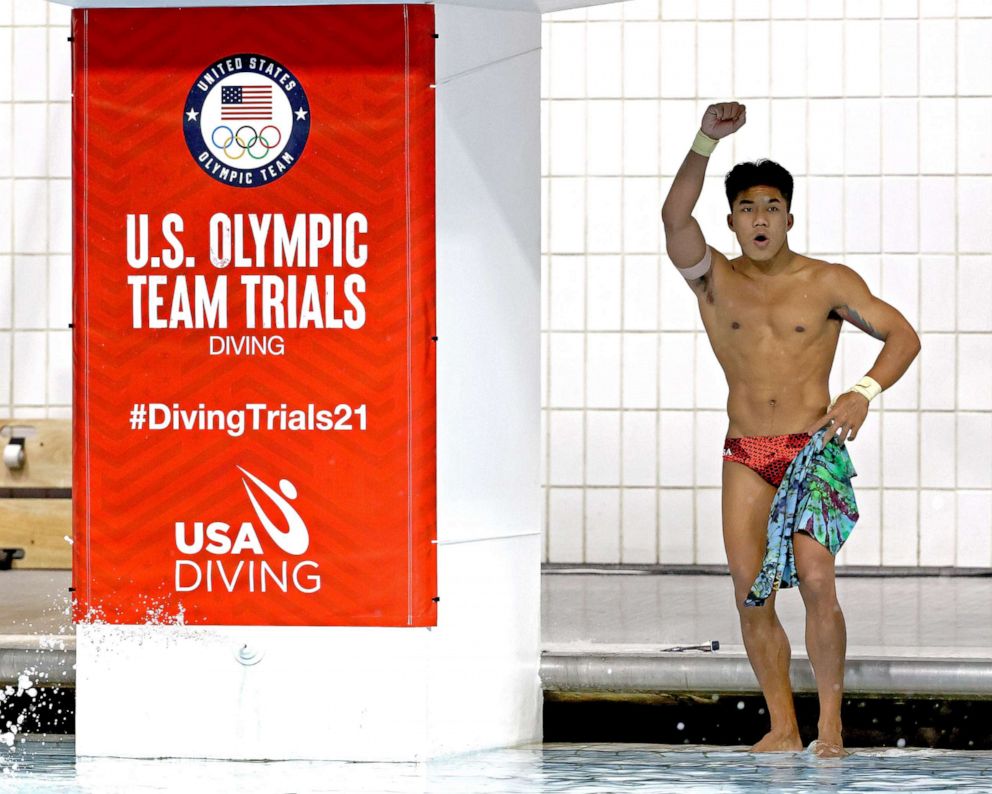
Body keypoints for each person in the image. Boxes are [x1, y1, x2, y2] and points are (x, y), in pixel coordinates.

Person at [660, 101, 921, 758]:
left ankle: (830, 723)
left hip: (813, 450)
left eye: (771, 206)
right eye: (747, 207)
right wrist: (703, 141)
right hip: (746, 452)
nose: (759, 218)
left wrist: (863, 391)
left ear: (789, 217)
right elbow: (673, 218)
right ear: (731, 220)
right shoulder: (713, 279)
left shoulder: (827, 282)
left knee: (818, 579)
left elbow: (902, 335)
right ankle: (783, 725)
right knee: (751, 595)